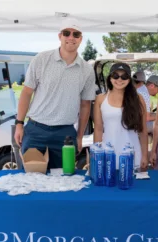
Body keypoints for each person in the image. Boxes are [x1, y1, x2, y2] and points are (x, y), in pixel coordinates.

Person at [14, 18, 96, 169]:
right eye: (67, 33)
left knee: (63, 182)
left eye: (76, 34)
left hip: (65, 134)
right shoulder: (41, 59)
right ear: (60, 36)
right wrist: (19, 124)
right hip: (35, 131)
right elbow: (26, 93)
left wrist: (79, 136)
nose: (71, 37)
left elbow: (85, 105)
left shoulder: (87, 70)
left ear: (81, 39)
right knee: (32, 180)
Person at [93, 63, 148, 170]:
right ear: (110, 78)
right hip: (108, 155)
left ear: (129, 79)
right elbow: (98, 130)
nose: (119, 79)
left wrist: (145, 155)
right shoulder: (100, 99)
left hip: (132, 154)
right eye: (115, 75)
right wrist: (96, 155)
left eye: (124, 76)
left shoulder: (138, 99)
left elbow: (143, 130)